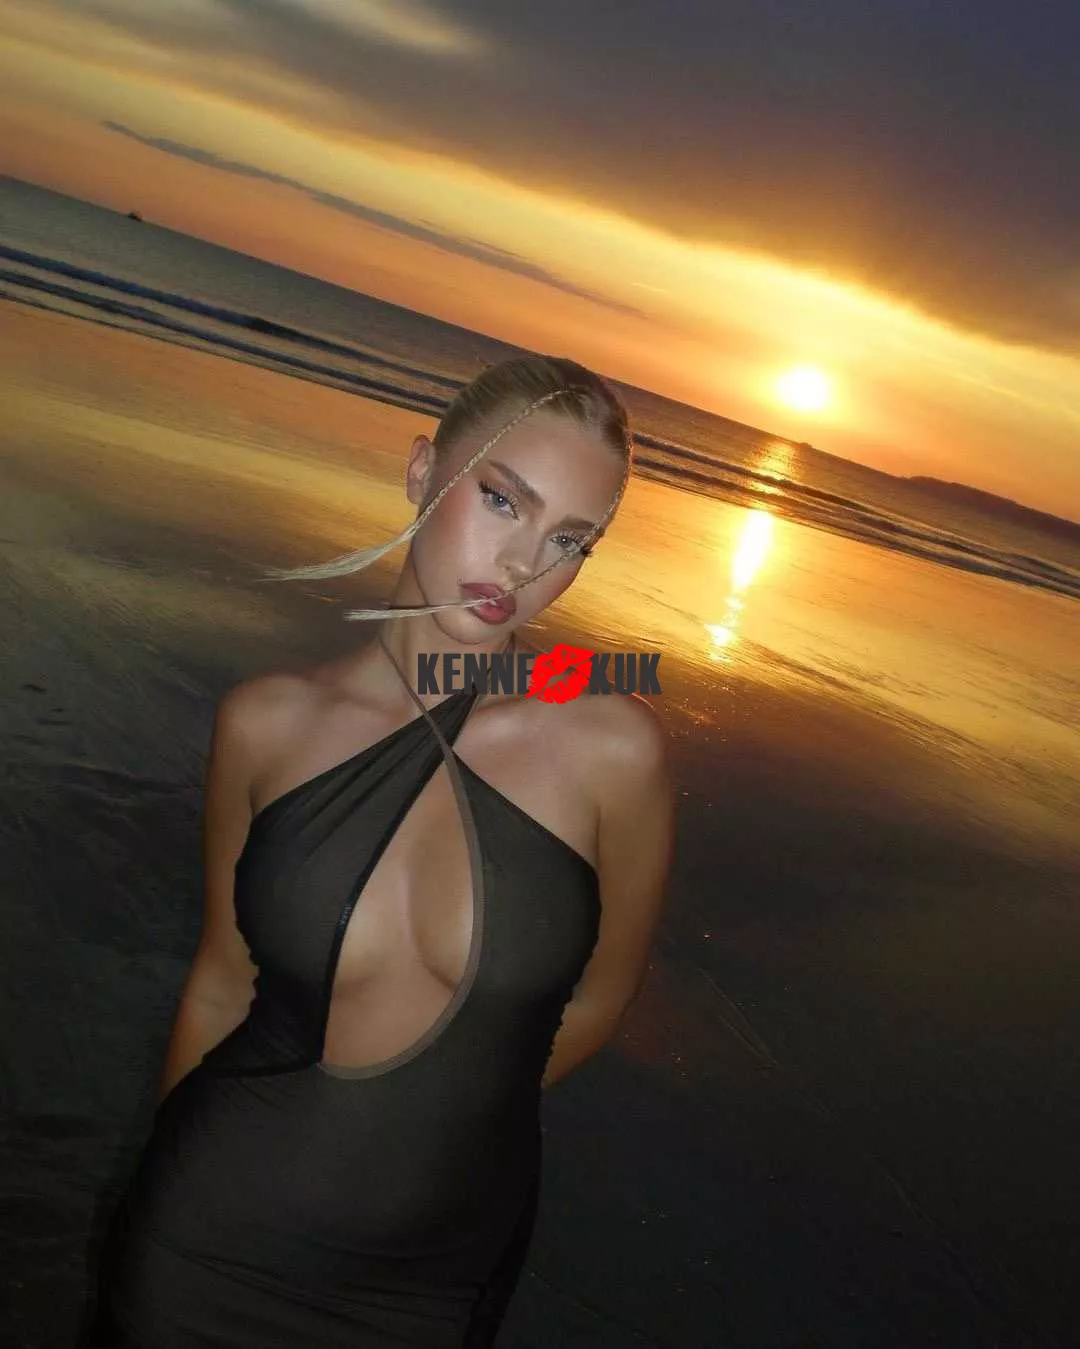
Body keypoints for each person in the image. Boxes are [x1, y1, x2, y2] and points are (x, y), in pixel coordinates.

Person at [88, 354, 674, 1347]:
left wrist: (443, 1108)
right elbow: (222, 981)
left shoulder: (612, 745)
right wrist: (152, 1178)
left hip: (429, 1285)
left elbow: (602, 999)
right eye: (502, 500)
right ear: (422, 470)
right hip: (200, 1241)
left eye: (569, 539)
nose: (523, 565)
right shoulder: (267, 722)